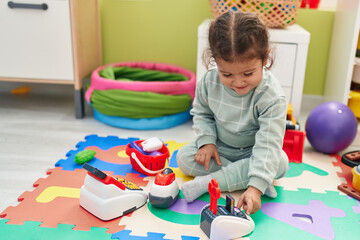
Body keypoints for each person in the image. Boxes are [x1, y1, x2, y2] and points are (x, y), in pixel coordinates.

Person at [176, 11, 289, 215]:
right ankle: (248, 175)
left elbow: (268, 143)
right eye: (226, 74)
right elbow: (202, 113)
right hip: (220, 149)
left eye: (248, 73)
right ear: (216, 61)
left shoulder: (272, 96)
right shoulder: (209, 82)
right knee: (184, 158)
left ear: (265, 58)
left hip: (253, 151)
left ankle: (212, 182)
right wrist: (207, 142)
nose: (238, 83)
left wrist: (254, 189)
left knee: (280, 163)